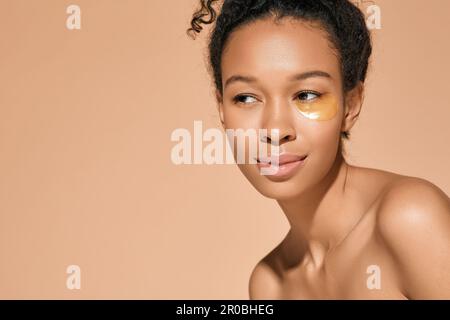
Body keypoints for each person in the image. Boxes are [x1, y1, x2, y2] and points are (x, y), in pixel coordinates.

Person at [187, 0, 450, 299]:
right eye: (246, 98)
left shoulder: (411, 219)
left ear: (351, 104)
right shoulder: (269, 285)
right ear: (221, 109)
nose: (275, 129)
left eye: (306, 95)